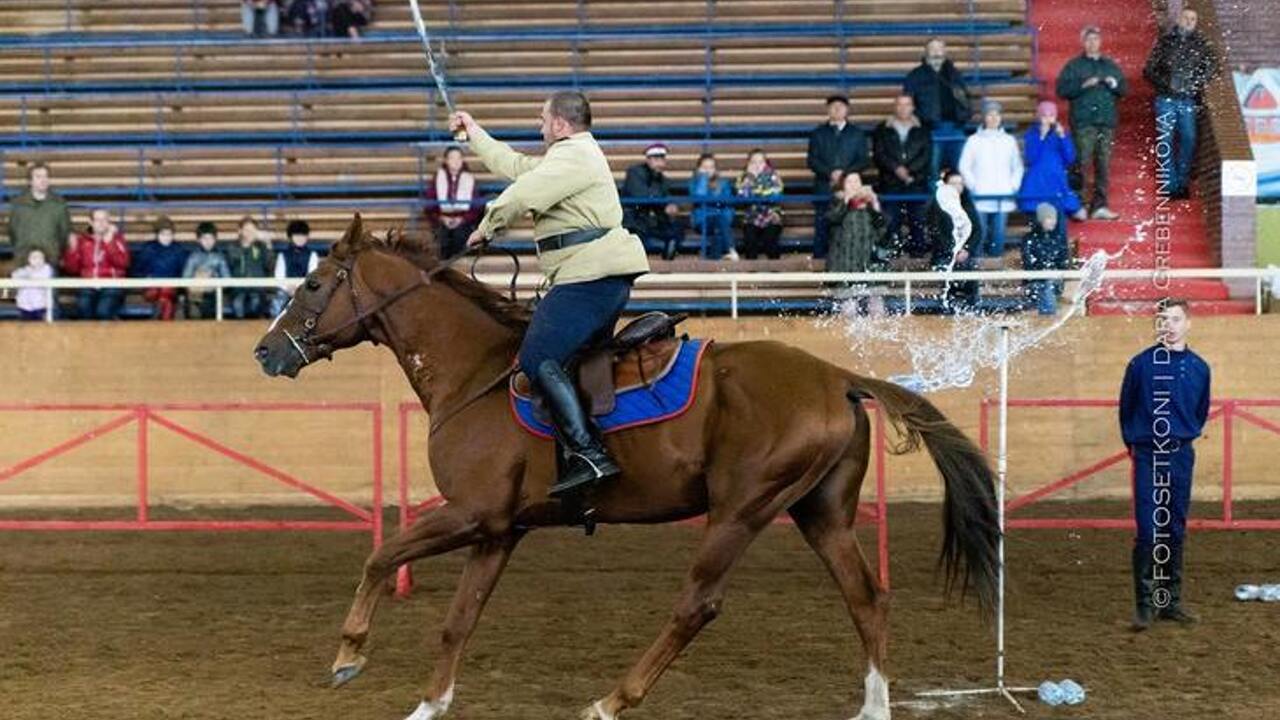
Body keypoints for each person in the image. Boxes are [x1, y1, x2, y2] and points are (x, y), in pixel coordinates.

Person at [450, 91, 651, 499]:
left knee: (537, 359)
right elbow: (519, 169)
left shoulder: (574, 156)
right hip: (596, 274)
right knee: (569, 363)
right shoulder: (571, 157)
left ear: (560, 124)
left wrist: (486, 228)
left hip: (589, 276)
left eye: (542, 120)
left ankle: (589, 454)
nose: (539, 126)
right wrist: (474, 133)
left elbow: (522, 195)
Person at [1118, 299, 1211, 631]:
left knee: (1175, 528)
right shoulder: (1140, 365)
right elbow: (1126, 411)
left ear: (1188, 323)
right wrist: (1140, 445)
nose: (1168, 325)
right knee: (1148, 529)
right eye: (1162, 319)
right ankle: (1144, 605)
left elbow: (1200, 411)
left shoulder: (1200, 368)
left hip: (1182, 455)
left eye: (1174, 319)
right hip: (1147, 454)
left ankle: (1170, 601)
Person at [1143, 8, 1220, 199]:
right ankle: (1169, 185)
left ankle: (1182, 182)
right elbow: (1149, 69)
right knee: (1165, 140)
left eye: (1193, 19)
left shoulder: (1201, 44)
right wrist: (1165, 84)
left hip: (1187, 99)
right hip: (1166, 98)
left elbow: (1212, 65)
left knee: (1189, 139)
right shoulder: (1166, 42)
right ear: (1179, 19)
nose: (1189, 21)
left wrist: (1195, 83)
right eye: (1186, 17)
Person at [1055, 26, 1127, 220]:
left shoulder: (1110, 65)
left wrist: (1115, 83)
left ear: (1100, 41)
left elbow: (1124, 89)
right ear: (1083, 42)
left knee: (1103, 164)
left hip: (1106, 122)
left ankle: (1099, 206)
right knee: (1081, 163)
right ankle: (1078, 205)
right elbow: (1061, 90)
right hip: (1084, 122)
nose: (1092, 43)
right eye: (1089, 39)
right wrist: (1082, 85)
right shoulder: (1074, 66)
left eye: (1095, 39)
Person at [958, 100, 1023, 259]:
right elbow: (964, 166)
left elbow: (1017, 167)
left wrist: (1012, 186)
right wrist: (974, 186)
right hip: (980, 196)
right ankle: (977, 268)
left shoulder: (1009, 140)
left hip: (1003, 195)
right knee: (979, 232)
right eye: (990, 114)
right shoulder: (974, 140)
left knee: (998, 234)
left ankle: (995, 268)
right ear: (984, 117)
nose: (993, 118)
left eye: (996, 114)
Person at [806, 95, 869, 259]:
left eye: (840, 106)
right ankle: (819, 260)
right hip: (824, 186)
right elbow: (812, 160)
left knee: (848, 224)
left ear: (847, 110)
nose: (837, 109)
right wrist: (830, 173)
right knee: (822, 224)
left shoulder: (857, 133)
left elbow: (864, 160)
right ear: (828, 110)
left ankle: (847, 259)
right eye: (833, 106)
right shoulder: (818, 133)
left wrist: (845, 174)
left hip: (851, 188)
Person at [872, 94, 931, 257]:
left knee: (917, 221)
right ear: (894, 107)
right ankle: (893, 254)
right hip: (890, 182)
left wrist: (909, 171)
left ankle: (918, 254)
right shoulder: (882, 129)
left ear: (913, 107)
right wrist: (896, 169)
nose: (903, 108)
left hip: (916, 182)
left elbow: (926, 155)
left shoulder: (923, 129)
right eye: (900, 104)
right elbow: (879, 154)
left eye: (907, 104)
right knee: (891, 221)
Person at [904, 38, 973, 177]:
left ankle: (959, 199)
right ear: (926, 52)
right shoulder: (915, 75)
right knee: (932, 171)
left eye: (939, 48)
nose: (936, 52)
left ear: (945, 52)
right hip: (931, 130)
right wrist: (919, 121)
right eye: (933, 49)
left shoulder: (955, 74)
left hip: (956, 127)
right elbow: (907, 101)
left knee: (961, 171)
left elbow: (965, 97)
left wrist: (965, 116)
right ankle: (933, 199)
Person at [1017, 101, 1084, 225]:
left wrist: (1063, 137)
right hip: (1036, 182)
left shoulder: (1061, 134)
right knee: (1037, 220)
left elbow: (1069, 158)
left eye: (1051, 116)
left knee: (1059, 219)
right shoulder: (1031, 134)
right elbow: (1031, 158)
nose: (1048, 119)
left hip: (1056, 180)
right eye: (1044, 116)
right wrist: (1041, 136)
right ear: (1039, 117)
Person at [926, 170, 980, 310]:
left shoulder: (968, 204)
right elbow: (936, 232)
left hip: (965, 253)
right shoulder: (937, 205)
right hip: (944, 253)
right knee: (947, 274)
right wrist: (953, 250)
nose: (957, 187)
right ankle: (947, 309)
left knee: (971, 274)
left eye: (960, 183)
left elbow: (977, 230)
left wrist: (966, 249)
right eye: (953, 183)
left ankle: (972, 308)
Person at [62, 208, 130, 320]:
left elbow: (124, 263)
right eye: (97, 220)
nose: (101, 223)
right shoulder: (83, 241)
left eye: (104, 220)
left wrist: (109, 244)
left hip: (112, 284)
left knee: (102, 311)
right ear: (91, 222)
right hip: (88, 284)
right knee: (83, 307)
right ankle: (87, 337)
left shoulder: (117, 239)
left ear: (109, 222)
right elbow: (72, 269)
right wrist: (72, 250)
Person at [7, 162, 72, 271]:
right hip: (23, 262)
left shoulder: (59, 204)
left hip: (50, 260)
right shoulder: (18, 204)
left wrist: (55, 252)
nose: (43, 180)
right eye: (38, 177)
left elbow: (64, 233)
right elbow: (12, 231)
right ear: (30, 181)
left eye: (46, 176)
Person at [622, 144, 683, 260]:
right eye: (655, 159)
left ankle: (668, 259)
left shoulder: (663, 180)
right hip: (634, 220)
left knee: (676, 228)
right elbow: (641, 195)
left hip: (651, 221)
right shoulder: (635, 172)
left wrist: (671, 205)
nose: (659, 163)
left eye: (661, 159)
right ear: (648, 160)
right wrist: (664, 203)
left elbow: (666, 197)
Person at [425, 146, 484, 258]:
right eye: (452, 158)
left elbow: (476, 207)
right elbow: (429, 204)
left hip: (463, 221)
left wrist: (462, 219)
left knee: (460, 236)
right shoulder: (438, 178)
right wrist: (442, 218)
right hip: (443, 220)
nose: (456, 161)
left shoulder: (469, 178)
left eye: (459, 158)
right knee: (443, 238)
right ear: (446, 160)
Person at [826, 172, 886, 273]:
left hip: (867, 259)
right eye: (849, 182)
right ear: (843, 186)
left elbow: (883, 230)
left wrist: (875, 205)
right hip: (843, 263)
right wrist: (846, 201)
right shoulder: (836, 202)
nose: (854, 185)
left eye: (857, 181)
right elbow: (832, 219)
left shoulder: (870, 205)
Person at [133, 216, 190, 320]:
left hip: (171, 288)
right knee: (164, 299)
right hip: (151, 288)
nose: (166, 237)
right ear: (157, 234)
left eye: (169, 234)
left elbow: (183, 273)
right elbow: (137, 271)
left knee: (166, 295)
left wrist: (181, 291)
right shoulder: (148, 249)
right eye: (163, 234)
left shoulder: (178, 250)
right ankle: (164, 327)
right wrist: (146, 278)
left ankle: (156, 321)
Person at [735, 148, 785, 260]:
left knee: (770, 239)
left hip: (772, 215)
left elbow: (776, 194)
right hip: (751, 216)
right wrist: (751, 178)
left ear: (766, 163)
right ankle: (751, 271)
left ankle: (775, 269)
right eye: (753, 162)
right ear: (748, 163)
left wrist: (757, 194)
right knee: (750, 239)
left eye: (761, 162)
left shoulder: (774, 176)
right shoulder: (744, 177)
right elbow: (742, 196)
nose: (757, 165)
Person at [1021, 204, 1070, 315]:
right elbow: (1028, 264)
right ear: (1041, 219)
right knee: (1046, 286)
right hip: (1035, 281)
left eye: (1054, 218)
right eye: (1049, 218)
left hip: (1055, 280)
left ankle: (1048, 318)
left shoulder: (1060, 238)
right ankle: (1049, 318)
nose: (1053, 221)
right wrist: (1045, 273)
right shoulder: (1029, 238)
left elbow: (1064, 262)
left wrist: (1053, 272)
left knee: (1048, 285)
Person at [688, 153, 737, 260]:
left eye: (711, 167)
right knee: (718, 223)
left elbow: (727, 201)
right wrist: (703, 179)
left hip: (721, 221)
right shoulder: (695, 183)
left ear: (715, 169)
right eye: (704, 167)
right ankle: (731, 249)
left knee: (718, 231)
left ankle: (714, 262)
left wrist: (715, 201)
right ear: (698, 169)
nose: (708, 170)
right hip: (703, 221)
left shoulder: (723, 183)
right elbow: (699, 198)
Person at [225, 216, 274, 319]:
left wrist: (268, 246)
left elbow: (269, 266)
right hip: (238, 289)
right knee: (238, 303)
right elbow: (229, 267)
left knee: (255, 302)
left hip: (257, 288)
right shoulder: (232, 248)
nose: (250, 233)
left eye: (253, 230)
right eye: (247, 230)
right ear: (240, 231)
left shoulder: (262, 247)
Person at [182, 222, 232, 320]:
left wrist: (213, 280)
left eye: (211, 238)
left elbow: (227, 278)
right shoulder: (193, 257)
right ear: (199, 240)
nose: (208, 242)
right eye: (205, 238)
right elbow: (185, 278)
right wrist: (198, 280)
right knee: (191, 305)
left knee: (209, 304)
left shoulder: (220, 257)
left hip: (213, 293)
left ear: (215, 239)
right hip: (196, 293)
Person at [271, 219, 321, 316]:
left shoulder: (312, 255)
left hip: (305, 289)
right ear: (290, 237)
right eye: (297, 235)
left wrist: (299, 288)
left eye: (303, 235)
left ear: (307, 237)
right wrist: (288, 289)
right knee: (278, 301)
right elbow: (279, 276)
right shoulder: (282, 255)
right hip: (286, 290)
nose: (300, 238)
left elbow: (312, 275)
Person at [9, 249, 54, 321]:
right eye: (34, 257)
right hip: (24, 306)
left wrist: (27, 276)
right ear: (29, 259)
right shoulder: (25, 269)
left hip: (40, 306)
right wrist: (27, 274)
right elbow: (14, 276)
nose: (37, 260)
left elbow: (38, 277)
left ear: (44, 259)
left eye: (40, 257)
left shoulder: (47, 269)